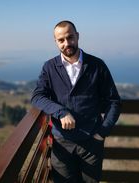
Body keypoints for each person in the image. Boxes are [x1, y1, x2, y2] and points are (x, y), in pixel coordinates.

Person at [31, 20, 121, 183]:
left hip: (92, 143)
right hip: (62, 144)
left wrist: (102, 132)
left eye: (70, 37)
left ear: (77, 36)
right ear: (56, 42)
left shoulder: (96, 65)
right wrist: (61, 112)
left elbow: (114, 101)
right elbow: (37, 96)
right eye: (61, 40)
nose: (67, 43)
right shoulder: (49, 67)